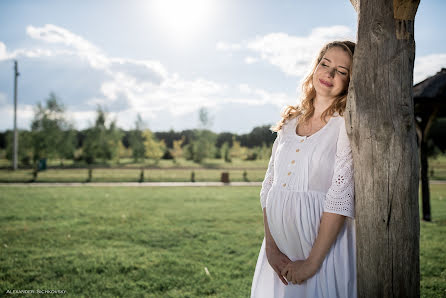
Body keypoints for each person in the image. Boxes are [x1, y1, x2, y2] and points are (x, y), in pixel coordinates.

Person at [250, 40, 356, 298]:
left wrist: (311, 264)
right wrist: (272, 250)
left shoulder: (346, 125)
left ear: (351, 80)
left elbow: (340, 198)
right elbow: (269, 187)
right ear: (315, 67)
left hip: (323, 255)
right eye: (325, 64)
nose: (330, 74)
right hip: (280, 255)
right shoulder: (290, 123)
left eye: (342, 71)